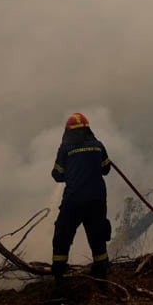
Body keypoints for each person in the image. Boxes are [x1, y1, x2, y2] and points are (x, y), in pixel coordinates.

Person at [50, 112, 112, 280]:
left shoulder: (65, 149)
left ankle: (59, 275)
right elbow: (106, 169)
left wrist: (73, 172)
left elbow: (57, 175)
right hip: (97, 199)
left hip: (74, 200)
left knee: (63, 234)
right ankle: (102, 276)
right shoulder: (98, 146)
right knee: (97, 236)